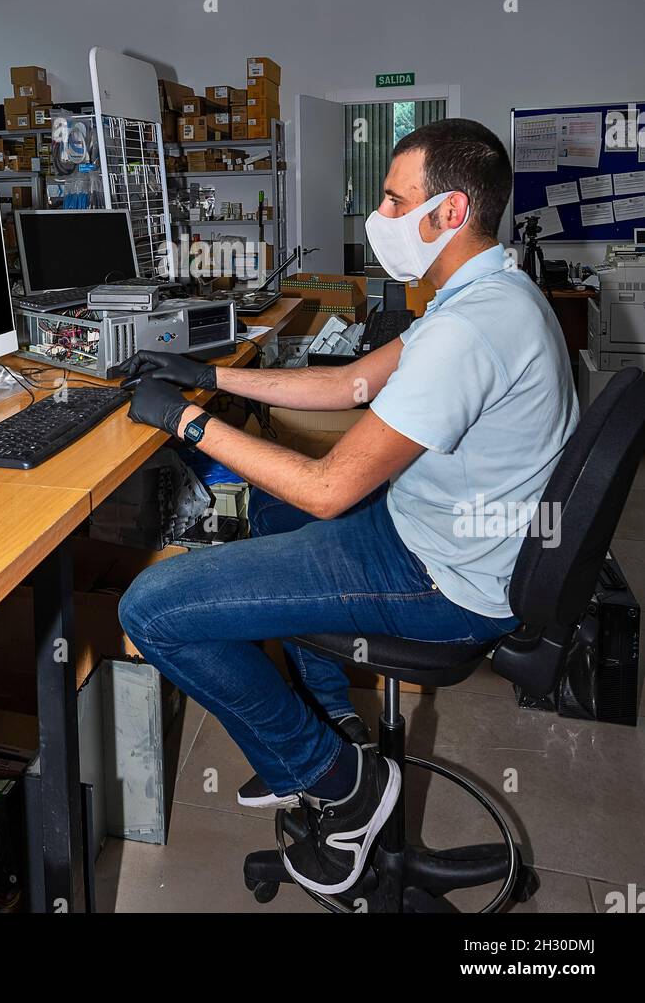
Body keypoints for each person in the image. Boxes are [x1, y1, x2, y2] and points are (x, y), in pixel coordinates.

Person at [117, 118, 578, 897]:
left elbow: (330, 487)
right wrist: (210, 377)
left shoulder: (472, 329)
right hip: (440, 537)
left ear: (451, 212)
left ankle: (338, 782)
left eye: (397, 202)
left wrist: (187, 422)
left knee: (151, 609)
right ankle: (334, 730)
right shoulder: (486, 289)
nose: (381, 219)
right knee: (268, 511)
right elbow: (350, 384)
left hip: (441, 581)